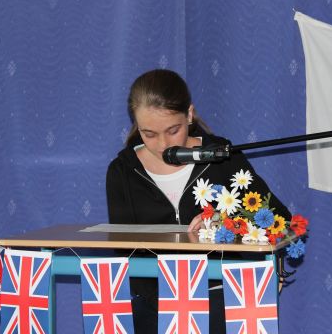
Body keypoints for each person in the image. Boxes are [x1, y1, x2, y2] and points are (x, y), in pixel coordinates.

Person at [106, 69, 291, 333]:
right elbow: (124, 250)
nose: (162, 145)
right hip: (152, 307)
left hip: (223, 300)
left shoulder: (221, 157)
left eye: (173, 130)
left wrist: (226, 222)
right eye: (149, 134)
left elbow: (281, 221)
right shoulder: (122, 171)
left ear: (189, 115)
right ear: (136, 125)